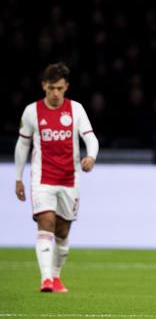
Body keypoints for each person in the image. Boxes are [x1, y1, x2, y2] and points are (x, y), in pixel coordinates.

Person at [14, 62, 99, 293]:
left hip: (70, 179)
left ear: (66, 87)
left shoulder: (76, 110)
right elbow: (22, 145)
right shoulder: (32, 111)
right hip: (42, 178)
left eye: (60, 88)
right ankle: (46, 279)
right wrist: (18, 177)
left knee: (62, 231)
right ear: (44, 86)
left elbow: (91, 138)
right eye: (51, 88)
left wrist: (91, 157)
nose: (55, 93)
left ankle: (57, 276)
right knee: (46, 222)